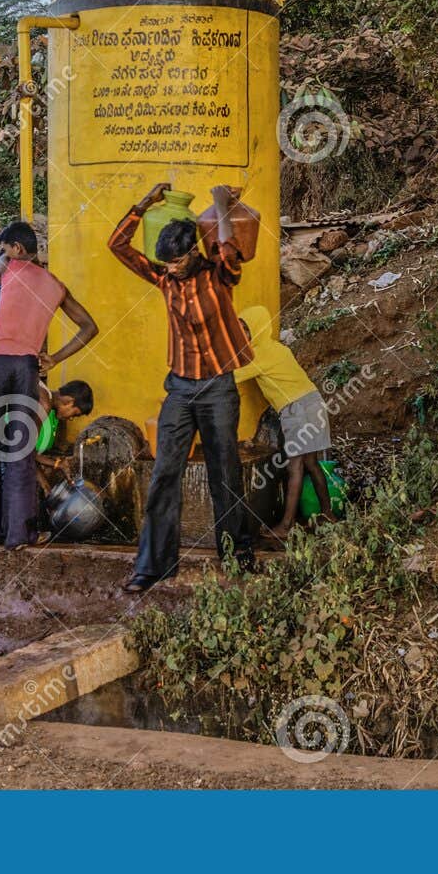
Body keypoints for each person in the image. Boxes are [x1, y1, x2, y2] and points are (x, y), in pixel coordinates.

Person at [109, 182, 256, 592]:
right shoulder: (163, 279)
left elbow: (227, 247)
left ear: (193, 252)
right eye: (166, 264)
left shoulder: (220, 275)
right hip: (179, 388)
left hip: (217, 388)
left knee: (225, 474)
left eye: (176, 262)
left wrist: (221, 203)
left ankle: (238, 556)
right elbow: (118, 245)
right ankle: (153, 566)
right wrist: (144, 204)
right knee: (163, 475)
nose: (170, 268)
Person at [0, 220, 99, 550]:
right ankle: (20, 536)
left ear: (18, 250)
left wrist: (6, 259)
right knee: (20, 452)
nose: (2, 254)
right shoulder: (55, 285)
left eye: (5, 247)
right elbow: (89, 327)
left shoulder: (11, 268)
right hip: (26, 367)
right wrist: (54, 357)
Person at [235, 305, 333, 539]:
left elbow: (231, 377)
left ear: (257, 329)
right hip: (313, 403)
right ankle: (328, 514)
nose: (242, 336)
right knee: (311, 463)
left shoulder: (259, 356)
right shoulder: (277, 349)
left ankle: (286, 526)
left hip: (297, 409)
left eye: (246, 330)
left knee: (295, 467)